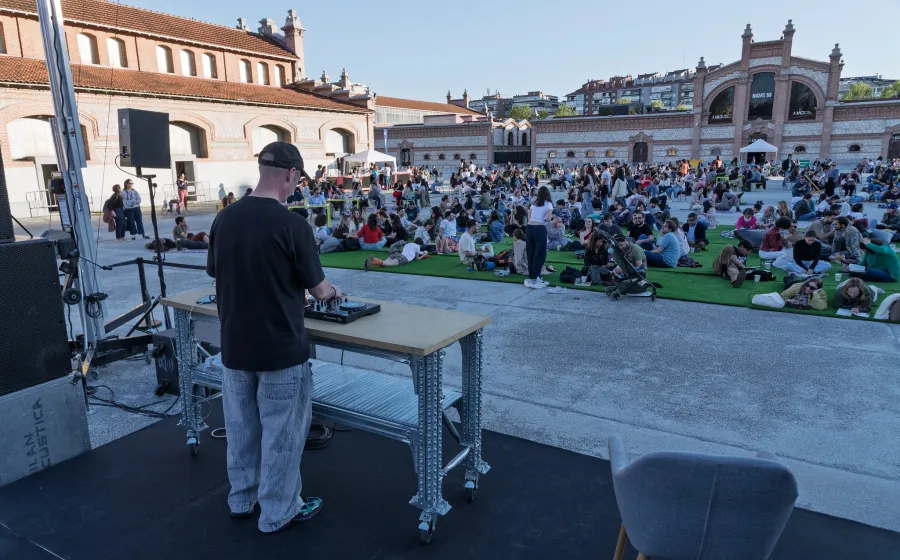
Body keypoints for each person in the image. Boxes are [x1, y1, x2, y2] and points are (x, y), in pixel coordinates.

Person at [206, 141, 342, 533]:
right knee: (282, 434)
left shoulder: (224, 219)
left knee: (241, 430)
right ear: (291, 175)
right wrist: (334, 292)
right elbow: (319, 290)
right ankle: (278, 511)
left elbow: (219, 271)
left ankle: (242, 498)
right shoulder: (293, 226)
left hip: (235, 346)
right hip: (280, 349)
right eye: (298, 179)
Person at [524, 186, 553, 289]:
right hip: (539, 227)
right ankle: (536, 276)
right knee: (540, 253)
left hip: (529, 227)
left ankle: (532, 275)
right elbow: (548, 218)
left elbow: (529, 217)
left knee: (530, 253)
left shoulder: (534, 203)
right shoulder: (548, 204)